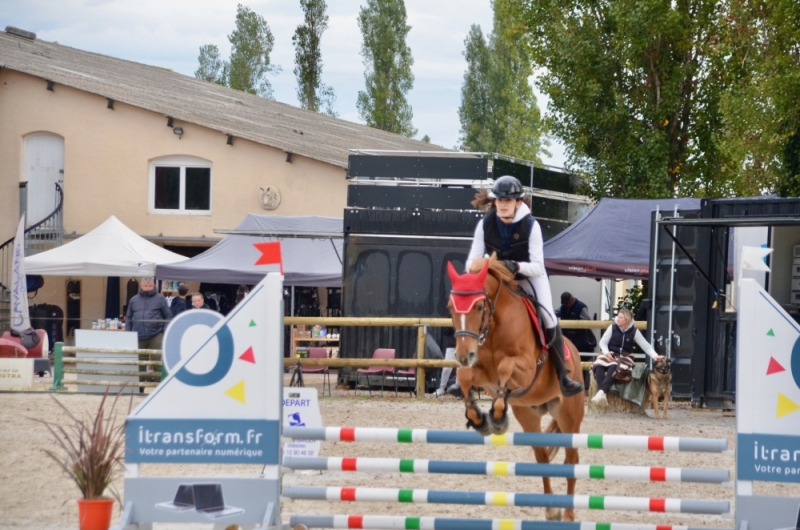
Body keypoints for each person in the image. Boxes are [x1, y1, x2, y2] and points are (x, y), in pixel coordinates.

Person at [459, 175, 584, 397]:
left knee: (548, 317)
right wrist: (491, 266)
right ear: (494, 201)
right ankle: (465, 370)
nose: (503, 205)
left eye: (509, 201)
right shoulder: (485, 224)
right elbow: (470, 263)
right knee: (471, 310)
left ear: (519, 202)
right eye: (500, 200)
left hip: (528, 277)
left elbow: (537, 266)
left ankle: (562, 374)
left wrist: (515, 266)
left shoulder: (531, 226)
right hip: (497, 277)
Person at [591, 308, 664, 407]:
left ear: (627, 320)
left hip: (624, 356)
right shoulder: (612, 327)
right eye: (618, 317)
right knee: (599, 366)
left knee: (614, 366)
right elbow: (602, 342)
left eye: (620, 317)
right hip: (609, 353)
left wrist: (655, 356)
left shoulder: (634, 331)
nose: (618, 319)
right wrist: (607, 353)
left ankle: (601, 392)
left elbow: (645, 345)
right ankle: (602, 394)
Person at [125, 277, 172, 391]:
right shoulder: (134, 300)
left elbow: (168, 316)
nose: (148, 288)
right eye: (145, 286)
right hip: (139, 335)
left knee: (157, 361)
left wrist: (164, 331)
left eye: (150, 286)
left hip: (156, 335)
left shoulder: (160, 298)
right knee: (140, 363)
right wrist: (128, 333)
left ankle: (159, 388)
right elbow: (129, 317)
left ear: (153, 286)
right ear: (141, 286)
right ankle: (140, 387)